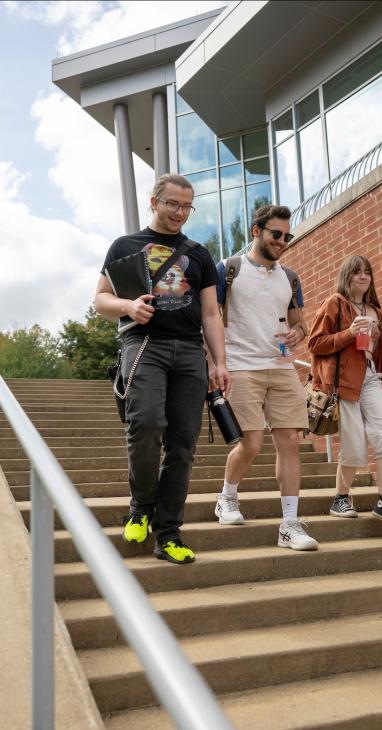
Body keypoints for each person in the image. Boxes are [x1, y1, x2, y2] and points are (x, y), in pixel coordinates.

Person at [95, 173, 229, 565]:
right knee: (147, 424)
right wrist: (128, 307)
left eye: (187, 206)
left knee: (183, 445)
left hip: (189, 352)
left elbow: (210, 312)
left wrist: (220, 362)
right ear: (154, 202)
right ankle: (140, 507)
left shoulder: (199, 254)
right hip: (144, 345)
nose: (180, 213)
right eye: (173, 204)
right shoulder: (125, 246)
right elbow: (100, 299)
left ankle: (168, 532)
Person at [213, 204, 318, 551]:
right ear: (256, 231)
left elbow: (299, 323)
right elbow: (209, 318)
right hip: (241, 365)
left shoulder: (289, 277)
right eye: (276, 234)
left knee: (290, 442)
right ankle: (227, 497)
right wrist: (215, 364)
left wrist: (297, 335)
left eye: (288, 236)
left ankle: (289, 524)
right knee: (252, 443)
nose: (283, 241)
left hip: (282, 365)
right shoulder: (228, 269)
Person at [308, 255, 382, 529]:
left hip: (371, 379)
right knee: (353, 445)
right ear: (347, 276)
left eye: (367, 272)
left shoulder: (375, 310)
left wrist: (374, 342)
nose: (363, 277)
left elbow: (379, 355)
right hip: (344, 382)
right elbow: (315, 343)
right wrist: (350, 333)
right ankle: (341, 498)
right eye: (357, 272)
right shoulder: (335, 304)